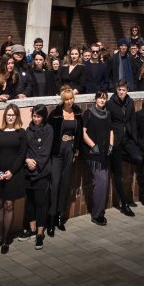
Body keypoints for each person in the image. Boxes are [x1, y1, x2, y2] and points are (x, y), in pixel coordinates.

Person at [0, 104, 28, 254]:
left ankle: (5, 240)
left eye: (13, 115)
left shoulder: (21, 133)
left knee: (9, 205)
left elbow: (21, 155)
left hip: (13, 175)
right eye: (8, 115)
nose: (10, 117)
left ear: (17, 116)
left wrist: (11, 172)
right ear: (5, 116)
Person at [47, 87, 81, 233]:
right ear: (63, 100)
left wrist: (77, 149)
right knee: (55, 184)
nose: (69, 101)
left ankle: (60, 216)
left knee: (65, 184)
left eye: (71, 98)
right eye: (66, 99)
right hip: (57, 150)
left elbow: (80, 132)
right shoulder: (55, 114)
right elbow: (49, 131)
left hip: (70, 150)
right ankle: (51, 217)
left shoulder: (78, 112)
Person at [24, 105, 54, 249]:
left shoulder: (48, 130)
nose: (36, 119)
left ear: (43, 116)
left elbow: (46, 151)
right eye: (34, 116)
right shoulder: (27, 130)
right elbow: (24, 149)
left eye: (39, 116)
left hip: (41, 171)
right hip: (28, 171)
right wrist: (27, 160)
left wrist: (36, 163)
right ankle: (32, 230)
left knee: (41, 202)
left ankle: (40, 234)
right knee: (29, 202)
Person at [82, 90, 115, 225]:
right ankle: (96, 214)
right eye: (100, 98)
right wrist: (93, 146)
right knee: (100, 183)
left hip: (105, 153)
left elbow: (111, 131)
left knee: (104, 183)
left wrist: (111, 145)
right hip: (93, 154)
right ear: (95, 99)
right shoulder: (88, 113)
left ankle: (99, 211)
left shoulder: (108, 114)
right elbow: (83, 133)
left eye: (104, 98)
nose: (102, 100)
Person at [106, 80, 137, 216]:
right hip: (116, 141)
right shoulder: (110, 103)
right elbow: (108, 123)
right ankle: (124, 204)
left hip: (128, 139)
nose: (121, 92)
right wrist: (111, 142)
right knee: (118, 174)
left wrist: (135, 139)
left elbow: (132, 121)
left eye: (123, 89)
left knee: (139, 157)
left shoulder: (130, 102)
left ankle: (122, 157)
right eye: (119, 89)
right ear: (116, 90)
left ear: (127, 90)